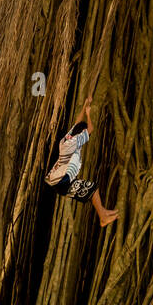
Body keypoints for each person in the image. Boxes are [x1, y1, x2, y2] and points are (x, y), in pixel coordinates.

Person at [45, 96, 118, 227]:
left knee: (91, 190)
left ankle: (104, 213)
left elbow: (77, 123)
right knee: (93, 189)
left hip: (58, 182)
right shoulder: (74, 142)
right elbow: (90, 129)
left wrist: (85, 105)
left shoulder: (66, 139)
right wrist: (89, 115)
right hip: (63, 180)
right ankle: (103, 217)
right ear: (81, 133)